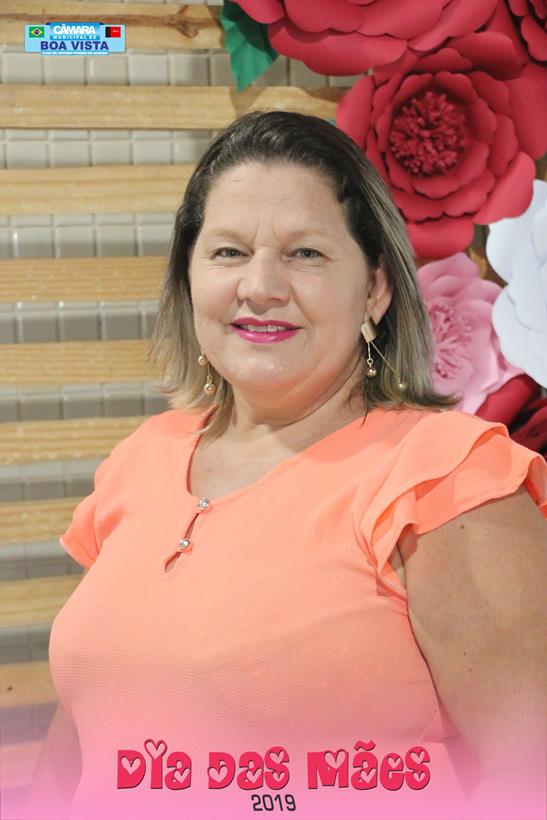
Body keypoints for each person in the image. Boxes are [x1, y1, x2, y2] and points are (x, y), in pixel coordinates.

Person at [25, 110, 546, 820]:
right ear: (189, 278)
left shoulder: (445, 478)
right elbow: (81, 735)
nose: (261, 285)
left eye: (304, 253)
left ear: (374, 288)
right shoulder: (142, 458)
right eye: (228, 252)